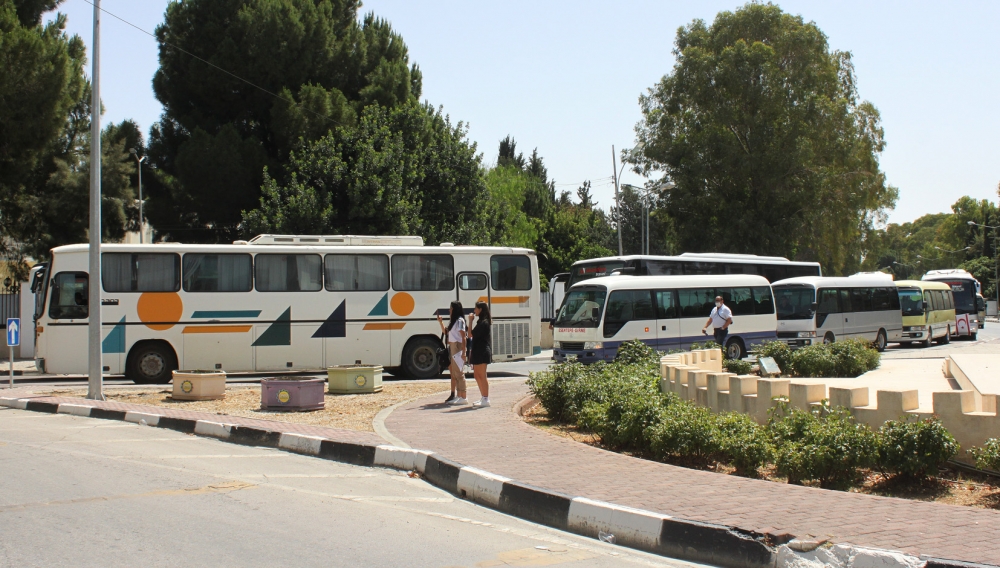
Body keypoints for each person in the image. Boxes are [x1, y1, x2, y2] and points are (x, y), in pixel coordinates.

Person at [437, 301, 467, 405]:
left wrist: (464, 352)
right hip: (453, 347)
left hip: (457, 347)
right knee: (455, 373)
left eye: (451, 308)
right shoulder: (454, 321)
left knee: (459, 372)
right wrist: (441, 322)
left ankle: (463, 396)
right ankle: (459, 396)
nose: (449, 310)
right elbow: (446, 332)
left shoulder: (459, 321)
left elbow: (463, 337)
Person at [467, 301, 492, 408]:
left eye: (476, 308)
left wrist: (470, 321)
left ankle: (486, 398)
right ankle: (483, 397)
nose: (474, 310)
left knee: (482, 375)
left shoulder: (484, 323)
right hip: (477, 350)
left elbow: (470, 334)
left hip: (482, 351)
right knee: (477, 375)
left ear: (480, 309)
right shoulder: (481, 321)